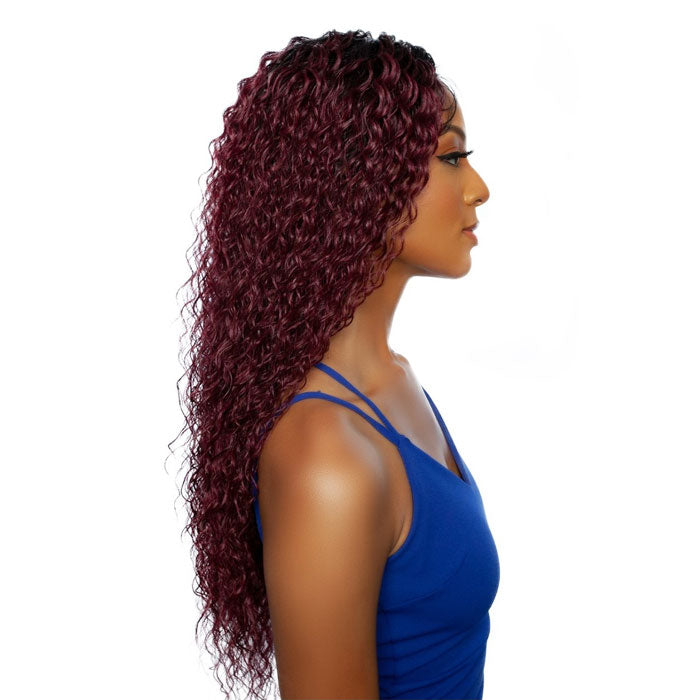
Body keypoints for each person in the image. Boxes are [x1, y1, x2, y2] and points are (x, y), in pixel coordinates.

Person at [175, 28, 498, 700]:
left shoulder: (394, 383)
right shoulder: (327, 456)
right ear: (359, 180)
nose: (480, 188)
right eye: (452, 156)